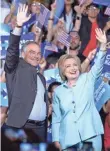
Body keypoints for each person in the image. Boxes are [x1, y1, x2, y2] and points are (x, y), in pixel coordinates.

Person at [52, 28, 107, 151]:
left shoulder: (87, 79)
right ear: (63, 71)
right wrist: (56, 140)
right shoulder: (58, 91)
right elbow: (56, 118)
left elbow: (98, 66)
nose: (72, 68)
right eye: (68, 66)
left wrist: (103, 46)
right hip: (68, 139)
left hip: (91, 134)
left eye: (75, 65)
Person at [4, 4, 48, 142]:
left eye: (39, 53)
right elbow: (12, 50)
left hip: (40, 129)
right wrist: (18, 26)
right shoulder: (15, 67)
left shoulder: (41, 77)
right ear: (23, 54)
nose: (36, 56)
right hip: (20, 127)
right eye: (32, 52)